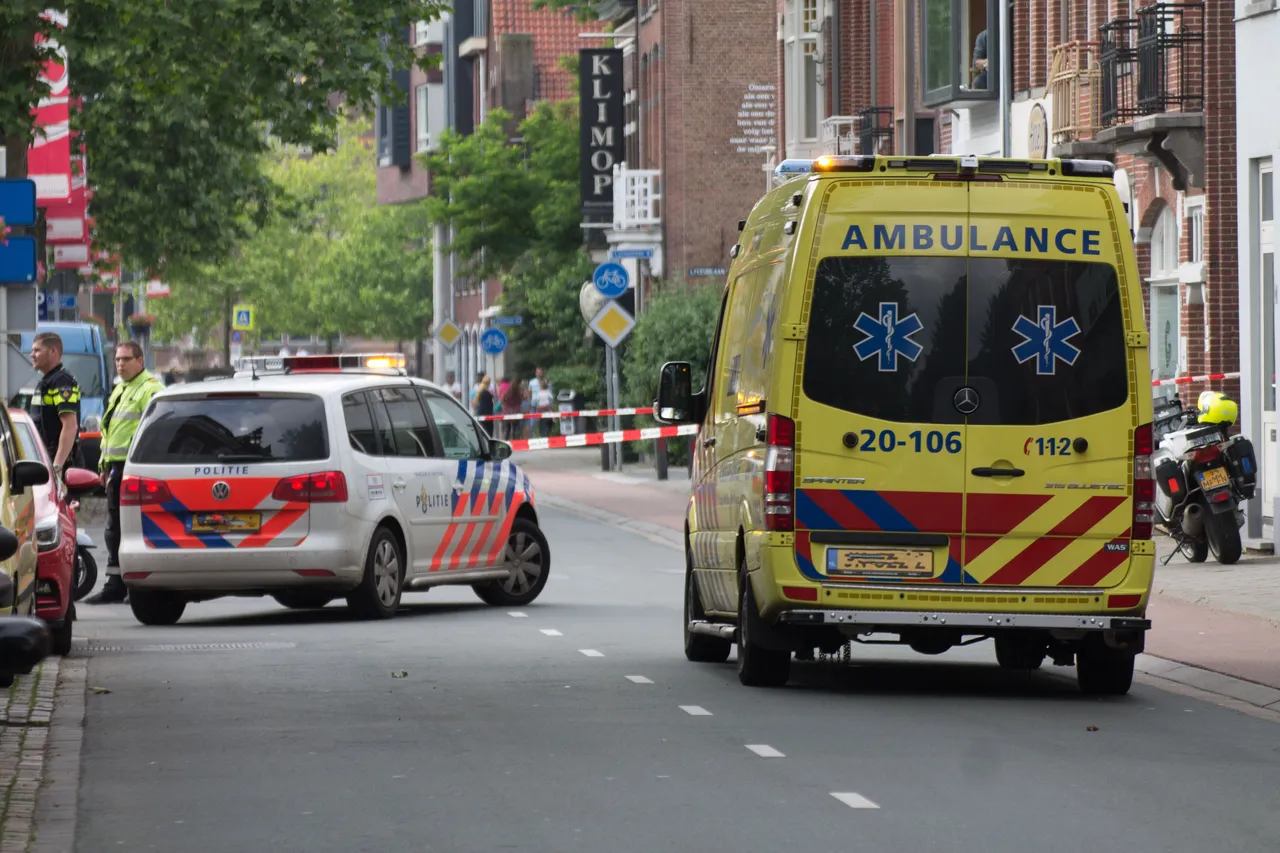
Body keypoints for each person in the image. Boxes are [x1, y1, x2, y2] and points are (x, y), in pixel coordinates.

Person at [85, 342, 164, 605]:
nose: (120, 364)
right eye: (117, 359)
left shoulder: (149, 388)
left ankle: (135, 586)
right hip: (116, 467)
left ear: (140, 361)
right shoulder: (121, 388)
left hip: (133, 468)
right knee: (114, 529)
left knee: (130, 528)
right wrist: (103, 465)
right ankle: (115, 584)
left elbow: (155, 432)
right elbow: (109, 432)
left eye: (126, 359)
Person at [30, 332, 83, 479]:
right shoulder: (47, 381)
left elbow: (70, 426)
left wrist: (57, 466)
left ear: (53, 351)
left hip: (58, 466)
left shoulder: (61, 381)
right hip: (45, 461)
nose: (31, 355)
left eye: (37, 350)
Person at [528, 367, 554, 438]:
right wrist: (530, 401)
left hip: (544, 405)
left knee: (544, 421)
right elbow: (529, 393)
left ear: (543, 373)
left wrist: (550, 404)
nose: (538, 374)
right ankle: (531, 437)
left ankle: (543, 435)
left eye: (540, 372)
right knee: (532, 423)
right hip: (534, 404)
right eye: (537, 372)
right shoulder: (532, 382)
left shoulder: (547, 381)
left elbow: (550, 392)